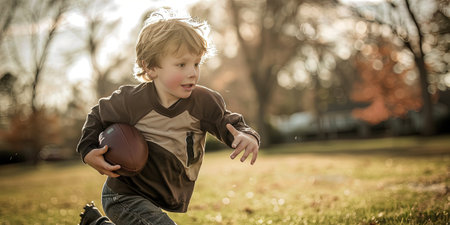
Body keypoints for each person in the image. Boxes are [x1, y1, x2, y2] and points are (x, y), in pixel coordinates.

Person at [77, 9, 260, 225]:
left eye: (196, 63)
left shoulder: (204, 102)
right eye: (181, 64)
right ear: (150, 67)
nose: (192, 72)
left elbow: (228, 123)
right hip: (122, 195)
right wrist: (88, 150)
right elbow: (97, 115)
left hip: (153, 197)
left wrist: (247, 135)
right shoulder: (131, 101)